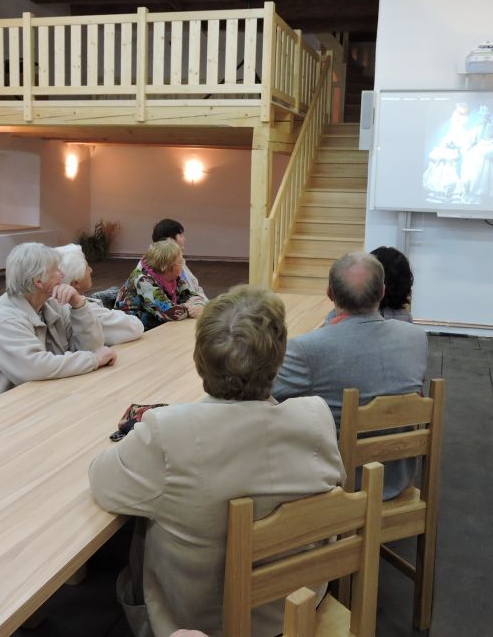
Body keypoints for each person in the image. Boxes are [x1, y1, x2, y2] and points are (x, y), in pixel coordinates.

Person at [88, 286, 345, 637]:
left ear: (200, 357)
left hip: (200, 625)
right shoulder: (315, 417)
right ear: (279, 359)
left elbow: (103, 483)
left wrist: (140, 432)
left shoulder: (168, 431)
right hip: (296, 606)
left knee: (141, 527)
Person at [273, 251, 428, 500]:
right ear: (382, 292)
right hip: (397, 480)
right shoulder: (416, 338)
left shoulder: (307, 348)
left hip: (335, 488)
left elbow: (264, 395)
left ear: (329, 293)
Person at [0, 243, 117, 411]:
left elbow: (93, 348)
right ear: (38, 281)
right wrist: (92, 360)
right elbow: (34, 368)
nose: (63, 275)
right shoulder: (2, 319)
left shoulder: (51, 305)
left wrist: (78, 305)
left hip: (33, 402)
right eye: (56, 270)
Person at [55, 244, 144, 345]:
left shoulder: (54, 305)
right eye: (86, 267)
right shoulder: (87, 312)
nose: (91, 270)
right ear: (76, 282)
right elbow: (136, 327)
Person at [115, 239, 206, 331]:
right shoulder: (144, 280)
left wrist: (199, 306)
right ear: (166, 267)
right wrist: (190, 308)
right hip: (131, 330)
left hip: (154, 328)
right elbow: (169, 312)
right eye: (180, 262)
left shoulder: (174, 278)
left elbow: (192, 295)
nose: (182, 265)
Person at [151, 218, 208, 301]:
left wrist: (204, 303)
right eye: (181, 236)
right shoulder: (153, 272)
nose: (184, 239)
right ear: (169, 240)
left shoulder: (178, 261)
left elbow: (196, 288)